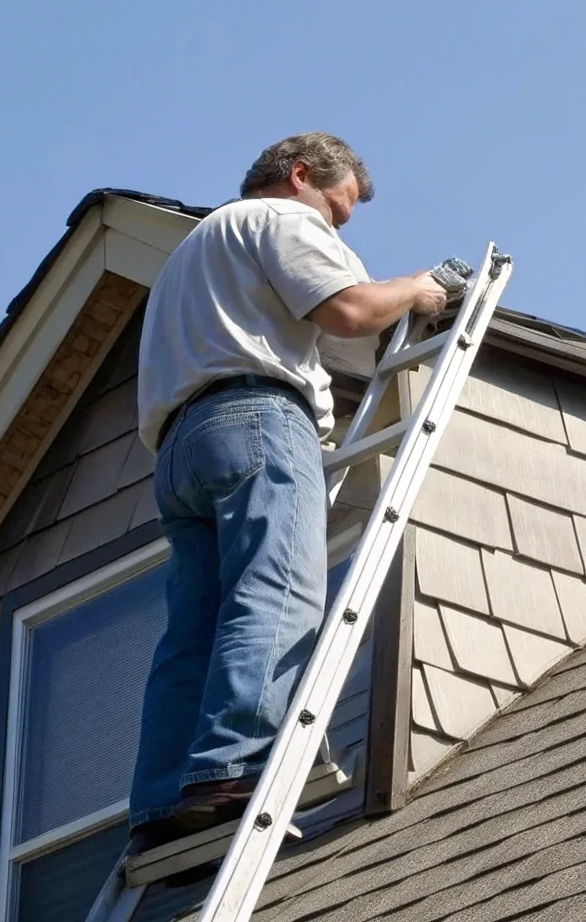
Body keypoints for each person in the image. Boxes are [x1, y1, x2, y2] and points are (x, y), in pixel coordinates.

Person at [126, 132, 450, 854]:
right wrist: (419, 289)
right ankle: (233, 765)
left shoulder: (190, 254)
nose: (334, 227)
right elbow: (348, 312)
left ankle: (158, 805)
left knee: (194, 630)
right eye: (336, 210)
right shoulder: (279, 220)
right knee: (276, 592)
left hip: (179, 449)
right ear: (300, 176)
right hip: (256, 419)